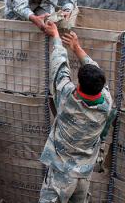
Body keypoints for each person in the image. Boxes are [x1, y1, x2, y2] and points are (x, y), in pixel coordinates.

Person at [38, 21, 117, 203]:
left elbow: (59, 66)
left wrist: (55, 35)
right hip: (83, 174)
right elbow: (94, 70)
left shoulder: (67, 98)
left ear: (79, 84)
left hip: (61, 176)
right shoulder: (106, 101)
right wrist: (77, 47)